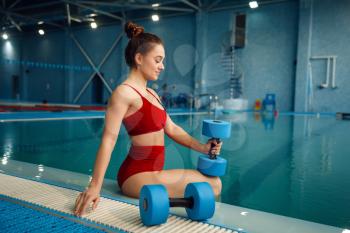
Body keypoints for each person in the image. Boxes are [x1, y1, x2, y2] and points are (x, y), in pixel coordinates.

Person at [74, 22, 223, 217]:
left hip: (153, 173)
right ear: (139, 58)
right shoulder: (123, 93)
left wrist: (202, 148)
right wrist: (94, 186)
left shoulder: (152, 93)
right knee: (213, 184)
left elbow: (172, 128)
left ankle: (166, 201)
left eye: (163, 61)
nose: (162, 66)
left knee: (214, 182)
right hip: (135, 175)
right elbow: (108, 140)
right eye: (158, 60)